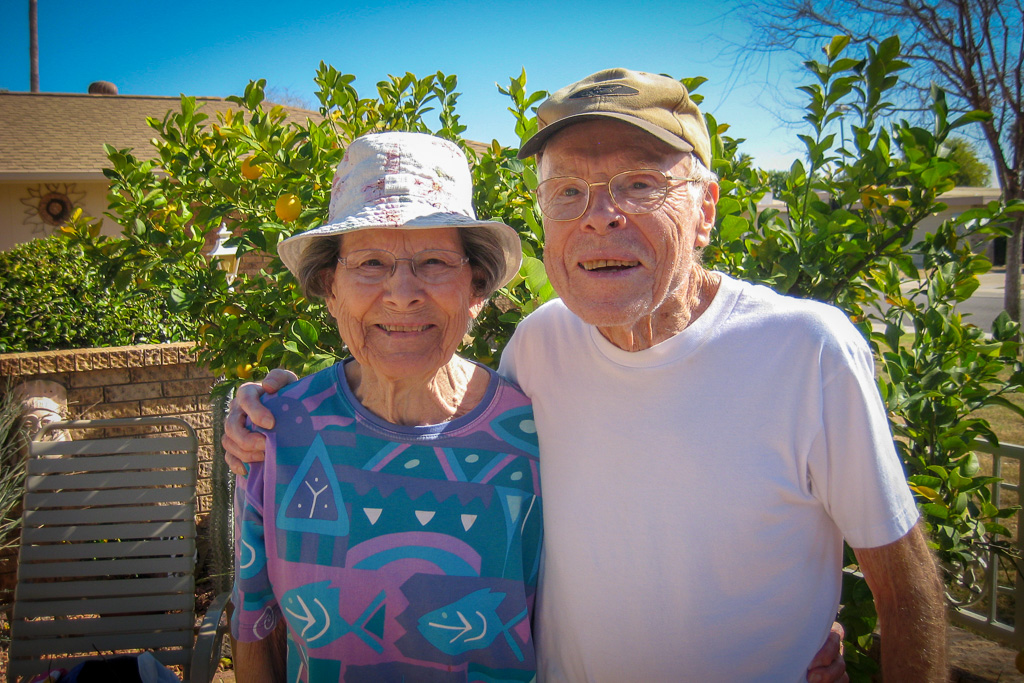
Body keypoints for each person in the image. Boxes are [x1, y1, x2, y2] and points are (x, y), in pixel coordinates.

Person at [222, 69, 915, 681]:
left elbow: (905, 586)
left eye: (640, 184)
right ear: (329, 287)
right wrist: (268, 410)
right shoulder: (539, 350)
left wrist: (800, 633)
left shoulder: (807, 351)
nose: (602, 215)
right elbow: (257, 626)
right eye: (568, 192)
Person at [231, 131, 543, 682]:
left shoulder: (535, 435)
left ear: (475, 288)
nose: (402, 294)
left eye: (433, 262)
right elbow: (255, 624)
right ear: (331, 289)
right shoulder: (277, 431)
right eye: (370, 263)